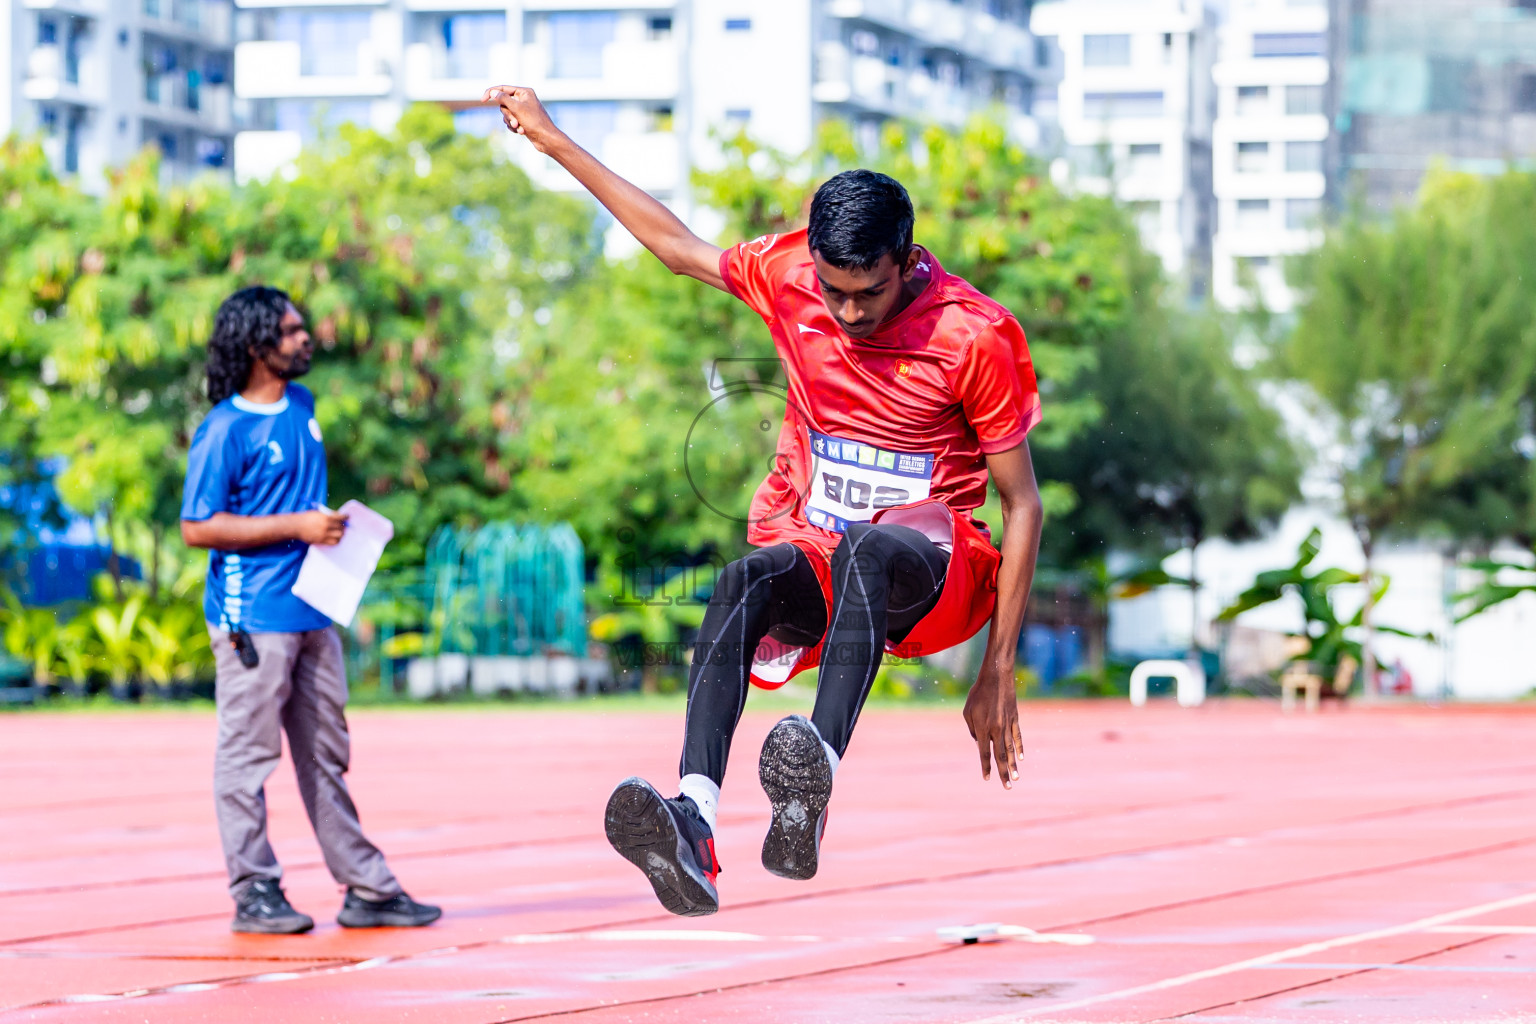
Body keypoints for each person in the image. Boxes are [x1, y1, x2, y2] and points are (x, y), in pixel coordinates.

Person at [486, 86, 1044, 917]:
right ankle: (694, 817)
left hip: (938, 568)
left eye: (870, 293)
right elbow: (675, 246)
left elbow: (1023, 503)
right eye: (835, 293)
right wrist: (554, 140)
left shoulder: (974, 335)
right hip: (829, 563)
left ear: (909, 259)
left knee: (867, 545)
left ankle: (813, 768)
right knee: (744, 579)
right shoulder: (787, 276)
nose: (850, 313)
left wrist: (998, 669)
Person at [181, 286, 441, 935]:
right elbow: (197, 527)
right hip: (252, 617)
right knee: (247, 758)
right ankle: (254, 890)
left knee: (327, 752)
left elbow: (298, 497)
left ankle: (368, 889)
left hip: (314, 607)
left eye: (304, 327)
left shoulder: (303, 404)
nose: (307, 338)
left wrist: (326, 526)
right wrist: (296, 524)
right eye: (292, 331)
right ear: (255, 346)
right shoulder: (222, 430)